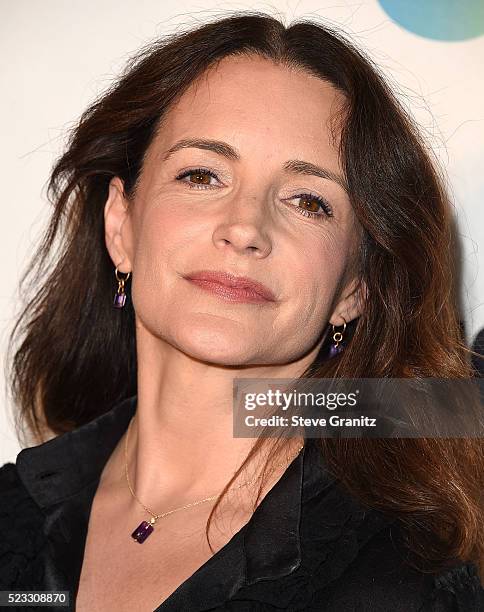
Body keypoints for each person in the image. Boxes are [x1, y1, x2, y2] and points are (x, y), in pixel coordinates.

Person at [1, 10, 483, 611]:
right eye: (202, 174)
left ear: (355, 288)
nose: (245, 227)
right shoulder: (15, 517)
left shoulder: (407, 572)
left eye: (309, 201)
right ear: (121, 224)